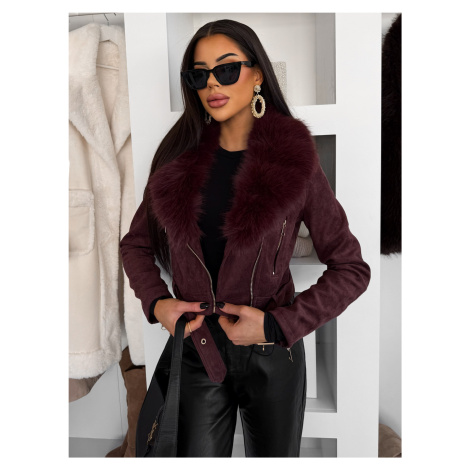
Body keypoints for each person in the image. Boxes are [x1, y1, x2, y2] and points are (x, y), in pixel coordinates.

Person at [120, 19, 371, 457]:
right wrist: (158, 304)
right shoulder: (178, 158)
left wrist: (277, 325)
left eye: (226, 68)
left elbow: (351, 268)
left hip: (273, 353)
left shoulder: (294, 160)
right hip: (198, 349)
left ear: (257, 74)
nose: (212, 83)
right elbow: (135, 245)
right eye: (199, 75)